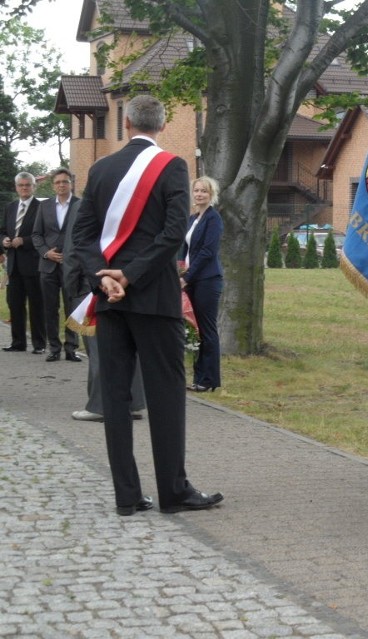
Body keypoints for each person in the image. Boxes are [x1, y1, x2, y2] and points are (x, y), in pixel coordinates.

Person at [72, 94, 223, 516]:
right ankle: (173, 492)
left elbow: (82, 236)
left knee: (116, 397)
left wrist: (104, 276)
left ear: (125, 124)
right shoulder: (173, 166)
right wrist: (131, 275)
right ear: (161, 124)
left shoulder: (100, 169)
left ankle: (127, 496)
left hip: (110, 302)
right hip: (153, 298)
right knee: (166, 394)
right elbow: (174, 233)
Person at [62, 179, 146, 423]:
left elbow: (74, 247)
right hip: (127, 282)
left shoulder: (84, 206)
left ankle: (100, 405)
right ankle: (132, 402)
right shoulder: (133, 202)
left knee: (99, 349)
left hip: (92, 284)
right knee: (130, 346)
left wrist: (71, 284)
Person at [31, 168, 82, 362]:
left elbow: (84, 234)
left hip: (72, 266)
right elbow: (36, 234)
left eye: (65, 182)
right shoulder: (44, 207)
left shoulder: (80, 205)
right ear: (53, 186)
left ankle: (71, 348)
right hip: (48, 266)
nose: (61, 185)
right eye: (58, 182)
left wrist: (73, 256)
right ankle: (54, 347)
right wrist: (46, 252)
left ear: (71, 184)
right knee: (50, 308)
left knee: (72, 307)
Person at [180, 175, 224, 393]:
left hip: (206, 280)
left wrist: (186, 277)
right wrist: (178, 271)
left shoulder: (213, 219)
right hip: (190, 280)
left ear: (211, 194)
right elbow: (184, 250)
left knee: (207, 330)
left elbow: (207, 252)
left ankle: (209, 379)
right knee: (194, 330)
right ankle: (198, 377)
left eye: (204, 191)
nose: (199, 195)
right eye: (196, 191)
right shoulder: (192, 219)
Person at [1, 172, 46, 354]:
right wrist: (3, 240)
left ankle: (39, 344)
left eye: (28, 185)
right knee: (15, 304)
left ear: (34, 187)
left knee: (36, 305)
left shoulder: (42, 207)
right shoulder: (11, 207)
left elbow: (44, 234)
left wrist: (25, 241)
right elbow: (2, 230)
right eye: (21, 185)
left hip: (33, 264)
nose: (24, 188)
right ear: (16, 187)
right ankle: (18, 342)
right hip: (14, 265)